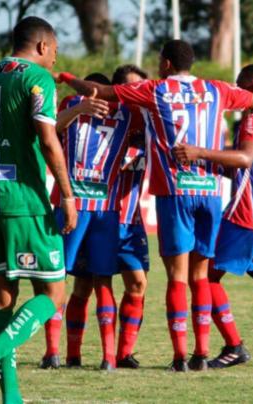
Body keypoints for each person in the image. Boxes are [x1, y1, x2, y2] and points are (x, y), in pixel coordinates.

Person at [58, 39, 253, 371]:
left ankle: (180, 356)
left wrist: (65, 76)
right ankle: (202, 354)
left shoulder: (155, 90)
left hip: (175, 192)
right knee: (201, 276)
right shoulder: (217, 89)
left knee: (177, 277)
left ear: (165, 64)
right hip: (209, 192)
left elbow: (98, 91)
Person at [0, 17, 76, 404]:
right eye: (55, 51)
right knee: (54, 293)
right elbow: (47, 140)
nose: (54, 59)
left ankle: (10, 396)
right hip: (22, 197)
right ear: (43, 45)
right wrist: (68, 194)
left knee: (2, 299)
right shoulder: (37, 78)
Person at [172, 63, 253, 372]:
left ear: (252, 90)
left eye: (240, 88)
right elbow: (248, 165)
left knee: (205, 276)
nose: (236, 94)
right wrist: (214, 162)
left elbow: (243, 159)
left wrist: (200, 152)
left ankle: (233, 345)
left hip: (247, 213)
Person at [39, 71, 138, 372]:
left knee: (57, 278)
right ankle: (107, 358)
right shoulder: (127, 113)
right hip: (105, 211)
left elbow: (49, 132)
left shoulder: (73, 101)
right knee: (101, 281)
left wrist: (79, 109)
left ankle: (54, 353)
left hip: (72, 205)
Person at [110, 64, 150, 368]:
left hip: (132, 221)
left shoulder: (151, 129)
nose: (140, 97)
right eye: (133, 91)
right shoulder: (106, 125)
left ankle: (125, 353)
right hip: (101, 218)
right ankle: (65, 353)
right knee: (87, 286)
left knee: (137, 284)